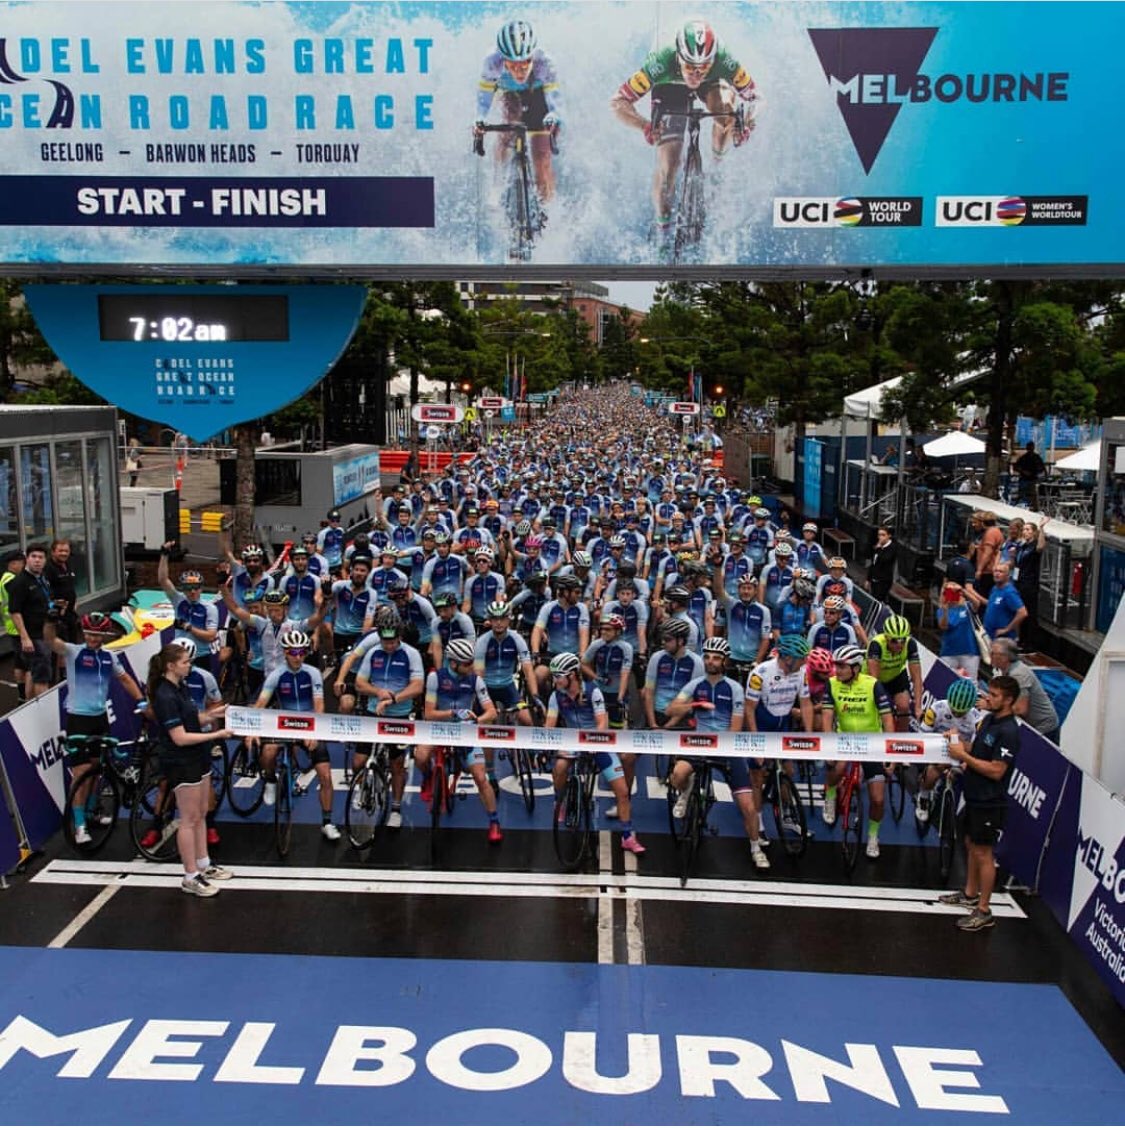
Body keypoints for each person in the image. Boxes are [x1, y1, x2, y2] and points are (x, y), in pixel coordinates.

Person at [611, 17, 757, 244]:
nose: (696, 74)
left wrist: (746, 121)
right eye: (690, 66)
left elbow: (757, 98)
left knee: (726, 113)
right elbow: (618, 102)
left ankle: (717, 162)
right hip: (669, 85)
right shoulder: (661, 61)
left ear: (712, 59)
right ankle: (663, 230)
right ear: (679, 55)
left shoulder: (722, 59)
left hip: (714, 82)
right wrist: (644, 125)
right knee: (669, 165)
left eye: (702, 67)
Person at [47, 611, 145, 845]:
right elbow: (51, 641)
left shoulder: (110, 657)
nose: (92, 638)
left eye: (98, 634)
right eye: (89, 634)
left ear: (105, 636)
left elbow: (125, 679)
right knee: (81, 772)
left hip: (100, 718)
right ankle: (79, 824)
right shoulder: (74, 652)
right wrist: (50, 623)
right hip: (78, 719)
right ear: (84, 633)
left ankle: (91, 811)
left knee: (96, 767)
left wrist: (141, 700)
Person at [146, 641, 233, 897]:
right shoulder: (164, 695)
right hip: (180, 760)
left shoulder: (180, 687)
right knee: (188, 818)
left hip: (197, 757)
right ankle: (190, 875)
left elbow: (193, 719)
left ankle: (204, 864)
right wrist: (216, 734)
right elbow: (180, 737)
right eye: (185, 662)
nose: (189, 665)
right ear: (171, 666)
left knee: (202, 813)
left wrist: (215, 714)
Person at [938, 674, 1022, 931]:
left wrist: (963, 754)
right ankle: (970, 893)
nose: (987, 698)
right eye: (989, 693)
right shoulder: (987, 720)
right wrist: (956, 744)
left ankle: (984, 910)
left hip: (990, 801)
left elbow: (997, 770)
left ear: (1008, 700)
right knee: (970, 844)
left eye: (994, 696)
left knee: (984, 853)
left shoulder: (1009, 732)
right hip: (974, 795)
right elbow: (974, 749)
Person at [545, 651, 644, 855]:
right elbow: (550, 724)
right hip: (571, 739)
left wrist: (594, 742)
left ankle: (627, 837)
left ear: (572, 675)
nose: (555, 680)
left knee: (622, 791)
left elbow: (602, 723)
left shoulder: (593, 691)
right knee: (561, 766)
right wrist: (546, 746)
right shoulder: (556, 696)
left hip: (597, 741)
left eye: (559, 676)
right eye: (554, 676)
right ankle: (559, 799)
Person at [251, 629, 339, 842]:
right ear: (285, 652)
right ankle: (271, 780)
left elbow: (319, 706)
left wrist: (315, 733)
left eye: (302, 652)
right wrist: (252, 730)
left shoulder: (313, 673)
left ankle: (327, 822)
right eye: (293, 652)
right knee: (268, 753)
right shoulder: (276, 674)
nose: (298, 657)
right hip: (285, 724)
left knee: (325, 776)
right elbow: (261, 703)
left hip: (310, 725)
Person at [418, 637, 503, 843]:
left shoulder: (476, 680)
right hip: (439, 728)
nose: (471, 666)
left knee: (481, 778)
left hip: (466, 732)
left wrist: (477, 719)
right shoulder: (435, 678)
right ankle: (429, 777)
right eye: (466, 663)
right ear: (453, 663)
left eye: (472, 661)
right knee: (420, 755)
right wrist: (455, 713)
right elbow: (428, 714)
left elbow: (491, 711)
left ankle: (494, 822)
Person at [474, 19, 563, 204]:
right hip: (510, 93)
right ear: (503, 60)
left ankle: (548, 210)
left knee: (541, 156)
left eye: (524, 64)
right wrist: (480, 119)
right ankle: (497, 185)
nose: (519, 70)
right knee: (508, 131)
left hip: (537, 93)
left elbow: (554, 100)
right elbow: (484, 98)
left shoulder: (545, 63)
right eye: (512, 65)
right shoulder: (492, 62)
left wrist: (554, 117)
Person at [821, 644, 895, 859]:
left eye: (842, 666)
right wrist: (828, 747)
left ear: (855, 668)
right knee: (837, 767)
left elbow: (887, 719)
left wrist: (890, 753)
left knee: (878, 800)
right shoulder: (832, 684)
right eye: (836, 666)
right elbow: (827, 717)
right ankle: (831, 795)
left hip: (872, 743)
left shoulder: (873, 685)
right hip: (844, 739)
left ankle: (873, 836)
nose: (837, 670)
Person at [6, 543, 56, 699]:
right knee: (41, 676)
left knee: (35, 673)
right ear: (27, 559)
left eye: (41, 557)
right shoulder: (20, 583)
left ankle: (28, 703)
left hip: (45, 633)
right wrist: (25, 637)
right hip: (33, 637)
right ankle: (43, 709)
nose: (37, 560)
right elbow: (14, 611)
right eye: (33, 557)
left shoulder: (41, 579)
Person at [988, 637, 1060, 744]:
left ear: (1005, 657)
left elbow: (1020, 709)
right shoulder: (1003, 671)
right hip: (1030, 723)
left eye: (993, 653)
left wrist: (992, 707)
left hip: (1042, 727)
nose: (990, 655)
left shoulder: (1018, 674)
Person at [935, 581, 981, 680]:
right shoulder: (941, 610)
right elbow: (943, 626)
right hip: (949, 652)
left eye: (954, 591)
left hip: (969, 651)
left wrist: (963, 591)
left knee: (971, 682)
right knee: (944, 680)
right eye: (949, 591)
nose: (952, 594)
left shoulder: (967, 606)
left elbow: (977, 603)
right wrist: (946, 610)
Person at [981, 562, 1027, 643]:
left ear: (1008, 576)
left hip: (1003, 639)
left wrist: (1007, 629)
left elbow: (1022, 613)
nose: (997, 574)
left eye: (1000, 572)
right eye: (995, 571)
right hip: (990, 636)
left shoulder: (1009, 592)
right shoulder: (994, 588)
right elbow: (991, 604)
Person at [0, 550, 25, 670]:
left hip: (13, 624)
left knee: (20, 662)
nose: (23, 565)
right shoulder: (10, 579)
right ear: (13, 564)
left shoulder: (7, 577)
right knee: (25, 663)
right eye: (21, 563)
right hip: (16, 625)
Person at [867, 526, 897, 603]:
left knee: (878, 601)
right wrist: (868, 579)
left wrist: (879, 548)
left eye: (883, 535)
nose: (880, 537)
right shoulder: (879, 547)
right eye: (879, 535)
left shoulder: (892, 548)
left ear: (889, 536)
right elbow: (873, 563)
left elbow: (885, 559)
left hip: (883, 581)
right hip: (874, 579)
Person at [1012, 441, 1046, 509]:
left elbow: (1042, 468)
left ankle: (1035, 508)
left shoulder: (1036, 457)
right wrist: (1023, 471)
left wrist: (1040, 475)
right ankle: (1020, 507)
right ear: (1027, 448)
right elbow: (1015, 467)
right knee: (1022, 494)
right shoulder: (1023, 458)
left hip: (1033, 479)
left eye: (1032, 447)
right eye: (1029, 447)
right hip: (1024, 479)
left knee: (1033, 495)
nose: (1030, 449)